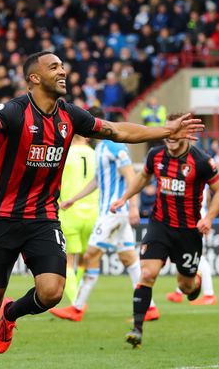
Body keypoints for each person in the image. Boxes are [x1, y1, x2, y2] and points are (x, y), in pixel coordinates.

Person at [0, 51, 203, 368]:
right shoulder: (13, 111)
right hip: (3, 218)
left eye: (63, 66)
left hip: (43, 218)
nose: (62, 71)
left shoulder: (69, 115)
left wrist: (165, 131)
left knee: (51, 292)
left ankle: (12, 313)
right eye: (54, 67)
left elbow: (116, 130)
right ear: (34, 78)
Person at [111, 116, 219, 348]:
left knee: (186, 287)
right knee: (147, 274)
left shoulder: (201, 161)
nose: (171, 137)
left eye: (176, 132)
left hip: (188, 231)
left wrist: (209, 218)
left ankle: (196, 282)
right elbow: (143, 177)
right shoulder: (156, 155)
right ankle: (138, 329)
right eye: (168, 131)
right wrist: (125, 197)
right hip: (160, 225)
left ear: (186, 133)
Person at [50, 107, 159, 321]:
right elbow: (97, 181)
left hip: (114, 211)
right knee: (129, 258)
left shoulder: (114, 145)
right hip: (111, 211)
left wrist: (133, 205)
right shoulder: (99, 148)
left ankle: (77, 308)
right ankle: (150, 308)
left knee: (90, 255)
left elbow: (131, 176)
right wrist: (74, 199)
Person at [57, 132, 98, 305]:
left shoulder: (64, 154)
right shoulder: (97, 154)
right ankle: (80, 298)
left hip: (68, 210)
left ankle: (76, 302)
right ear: (87, 137)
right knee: (85, 257)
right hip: (94, 211)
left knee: (68, 259)